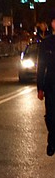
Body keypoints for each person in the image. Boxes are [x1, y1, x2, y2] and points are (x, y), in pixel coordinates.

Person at [38, 13, 55, 156]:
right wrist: (40, 87)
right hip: (51, 84)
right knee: (50, 116)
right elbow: (41, 66)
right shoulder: (46, 43)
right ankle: (52, 140)